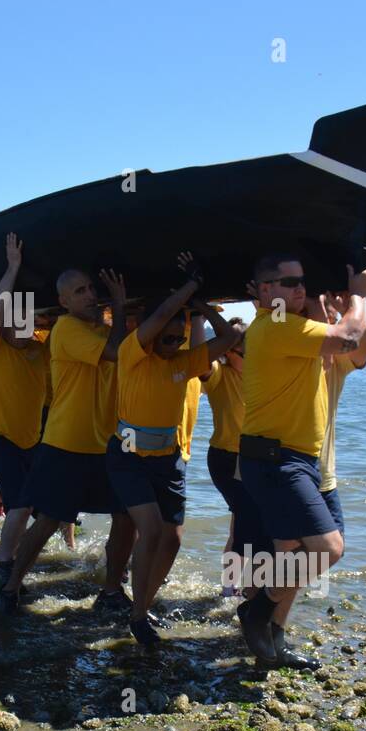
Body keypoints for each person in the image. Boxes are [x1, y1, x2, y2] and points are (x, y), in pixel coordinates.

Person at [235, 254, 366, 669]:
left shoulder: (296, 326)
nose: (298, 287)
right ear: (263, 291)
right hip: (275, 459)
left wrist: (328, 301)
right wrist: (359, 297)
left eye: (303, 281)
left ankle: (274, 640)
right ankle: (255, 611)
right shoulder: (275, 326)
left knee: (296, 552)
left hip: (302, 461)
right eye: (287, 281)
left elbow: (357, 344)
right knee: (326, 548)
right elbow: (348, 337)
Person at [107, 253, 239, 644]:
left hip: (167, 460)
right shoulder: (134, 356)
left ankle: (141, 607)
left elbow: (231, 339)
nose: (173, 343)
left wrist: (200, 310)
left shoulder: (185, 362)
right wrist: (189, 287)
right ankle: (137, 614)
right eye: (165, 337)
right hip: (127, 456)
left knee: (173, 538)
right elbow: (158, 318)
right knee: (148, 530)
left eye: (178, 337)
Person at [0, 267, 131, 616]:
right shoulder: (68, 329)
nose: (90, 295)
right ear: (63, 301)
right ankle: (10, 587)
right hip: (66, 442)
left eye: (92, 289)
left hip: (105, 443)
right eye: (80, 291)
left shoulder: (96, 328)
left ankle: (112, 590)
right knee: (48, 521)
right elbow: (115, 351)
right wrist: (118, 304)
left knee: (126, 514)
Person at [0, 234, 49, 593]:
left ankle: (16, 558)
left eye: (29, 322)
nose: (23, 329)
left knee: (39, 507)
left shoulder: (41, 350)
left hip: (31, 441)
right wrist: (13, 267)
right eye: (15, 322)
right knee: (20, 504)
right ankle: (5, 566)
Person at [316, 291, 366, 537]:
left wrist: (347, 309)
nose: (329, 328)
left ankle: (280, 577)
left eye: (333, 322)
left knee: (331, 544)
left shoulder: (338, 362)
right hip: (288, 468)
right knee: (253, 544)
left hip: (322, 473)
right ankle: (249, 577)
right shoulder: (290, 347)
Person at [197, 317, 246, 596]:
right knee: (245, 521)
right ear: (227, 352)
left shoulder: (258, 375)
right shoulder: (218, 373)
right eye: (244, 352)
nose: (252, 356)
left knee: (241, 523)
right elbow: (202, 361)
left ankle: (232, 586)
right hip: (226, 459)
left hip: (253, 460)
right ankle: (232, 588)